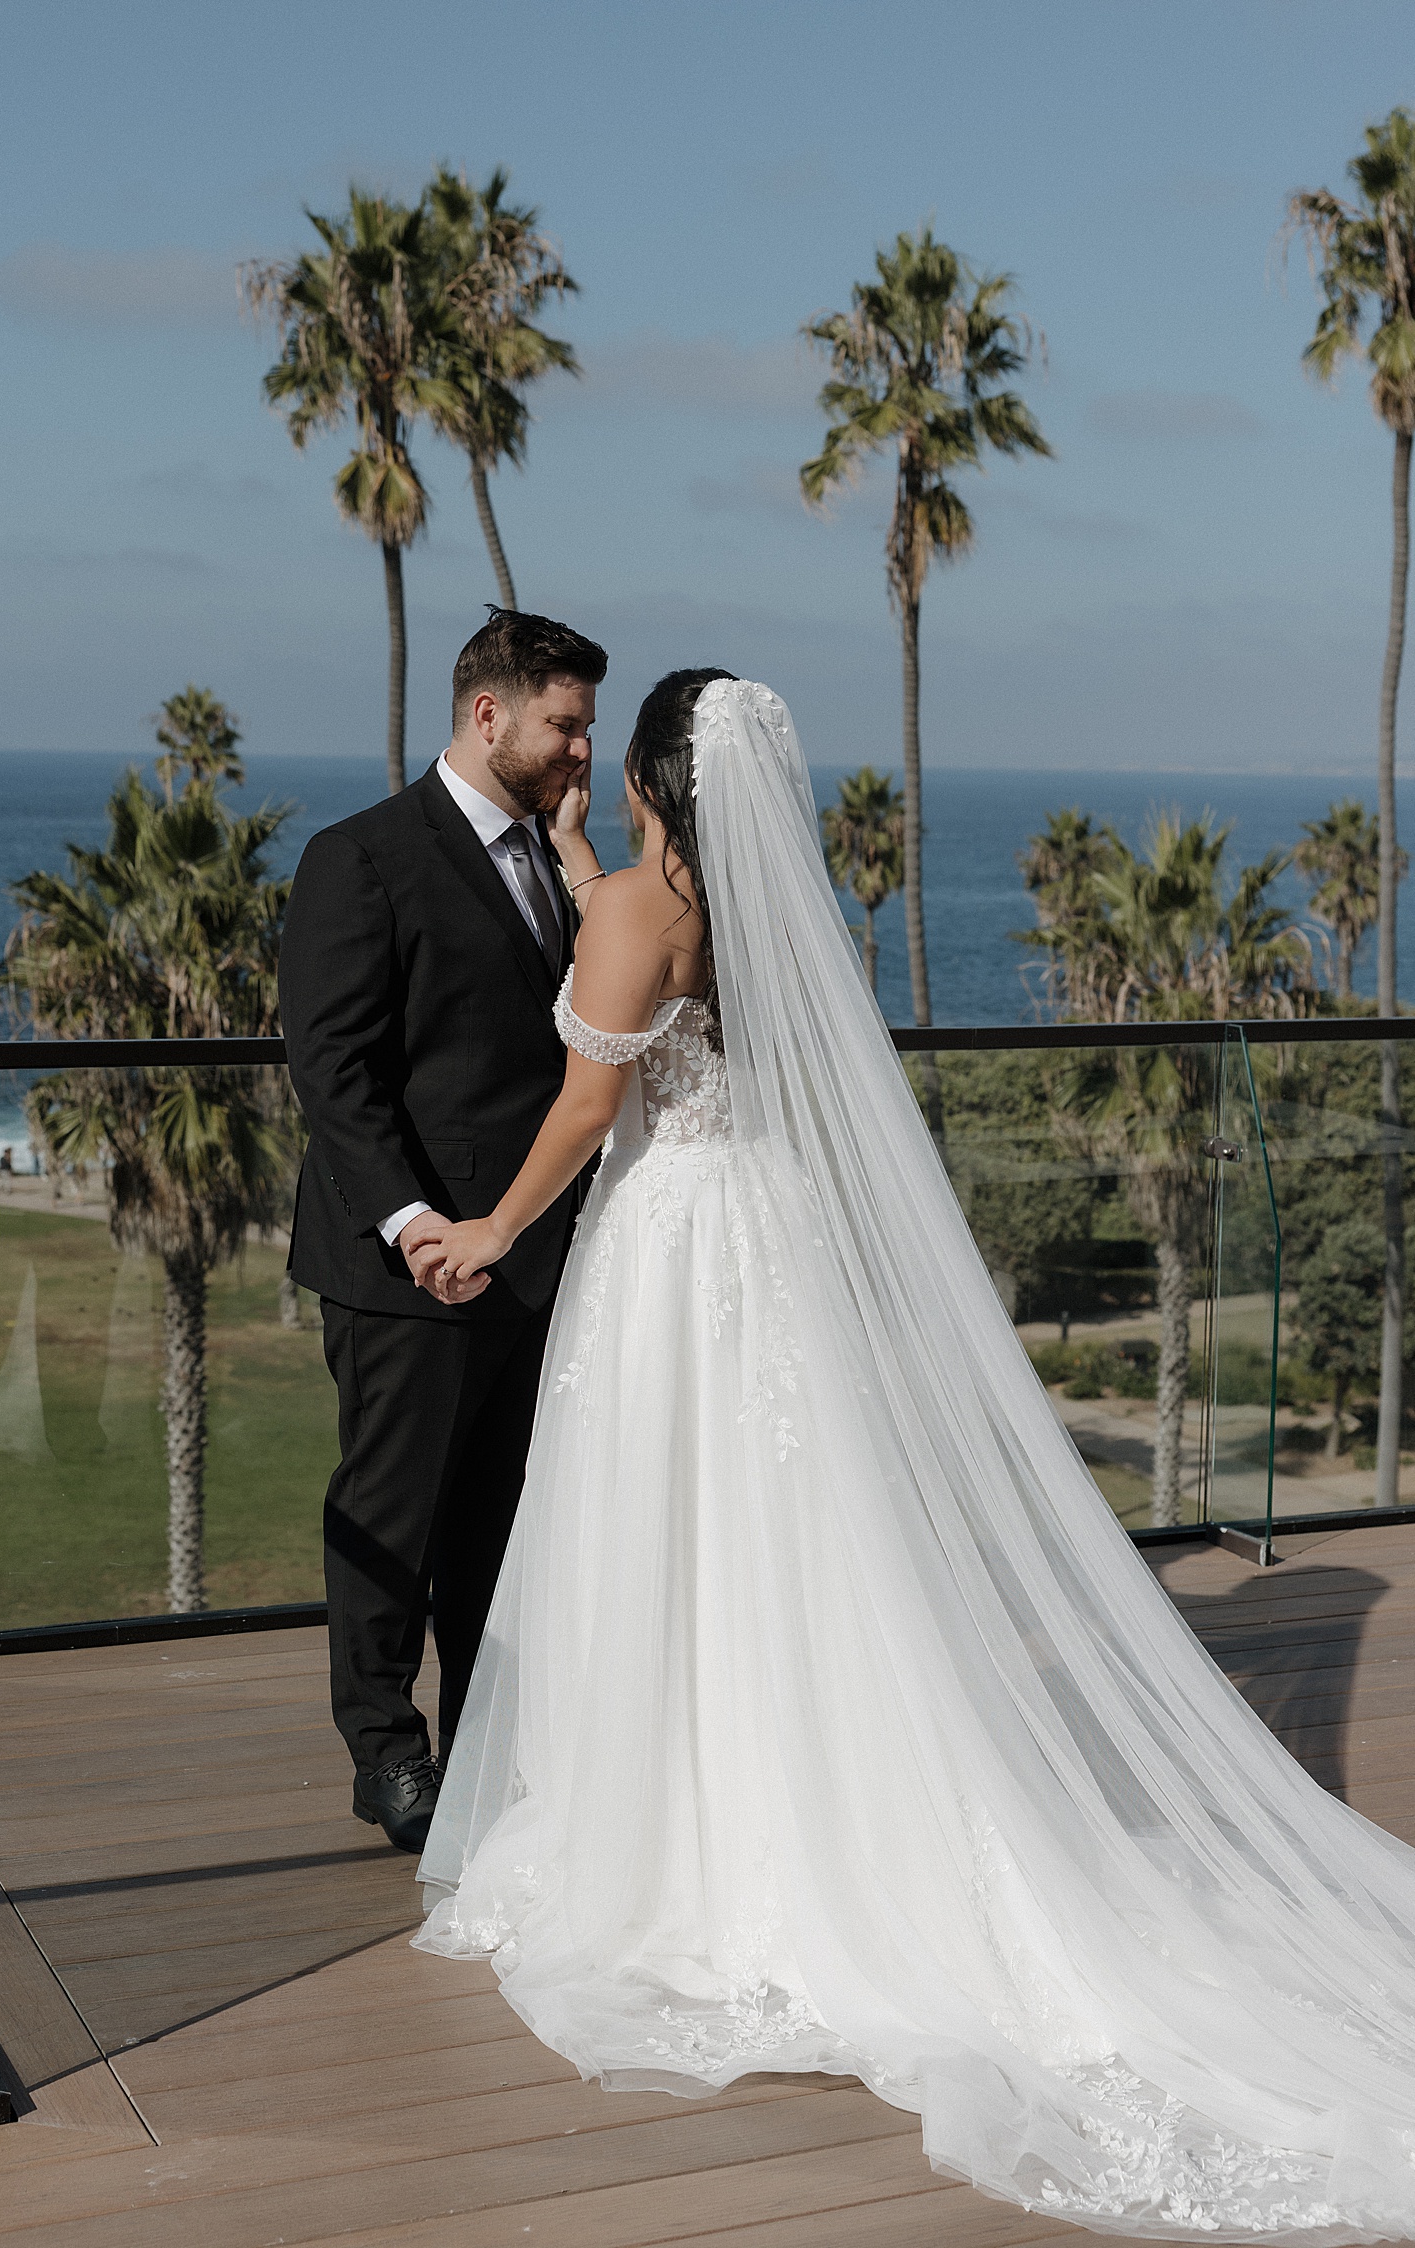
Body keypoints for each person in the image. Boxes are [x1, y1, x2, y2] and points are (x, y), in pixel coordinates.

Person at [410, 673, 1415, 2240]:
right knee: (790, 1542)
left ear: (662, 783)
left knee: (667, 1537)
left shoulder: (629, 920)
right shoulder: (756, 903)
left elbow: (595, 1097)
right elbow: (647, 948)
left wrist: (491, 1226)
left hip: (673, 1246)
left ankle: (690, 1837)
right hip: (771, 1238)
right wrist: (588, 846)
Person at [278, 607, 608, 1853]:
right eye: (564, 723)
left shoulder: (560, 861)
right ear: (490, 713)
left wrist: (578, 860)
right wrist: (416, 1222)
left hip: (537, 1257)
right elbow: (333, 1068)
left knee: (501, 1520)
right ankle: (386, 1755)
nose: (582, 748)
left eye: (586, 726)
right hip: (404, 1264)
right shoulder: (359, 857)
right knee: (392, 1514)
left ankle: (484, 1748)